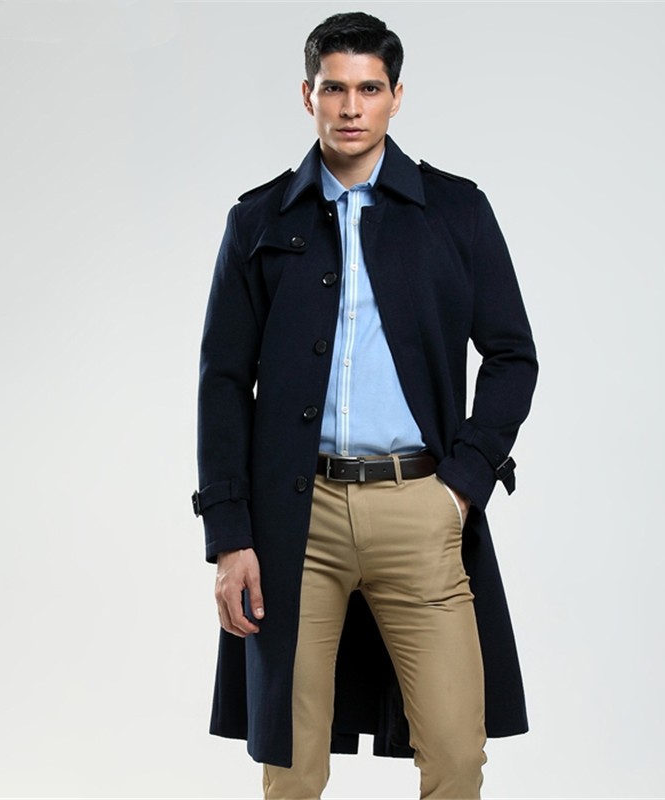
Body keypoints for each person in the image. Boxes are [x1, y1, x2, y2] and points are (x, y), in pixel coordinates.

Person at [191, 11, 539, 799]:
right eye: (334, 89)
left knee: (455, 752)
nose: (351, 107)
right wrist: (230, 535)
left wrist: (461, 487)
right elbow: (222, 382)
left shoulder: (454, 212)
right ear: (307, 95)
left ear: (396, 96)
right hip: (296, 519)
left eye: (369, 89)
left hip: (419, 507)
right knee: (292, 765)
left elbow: (512, 356)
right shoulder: (258, 221)